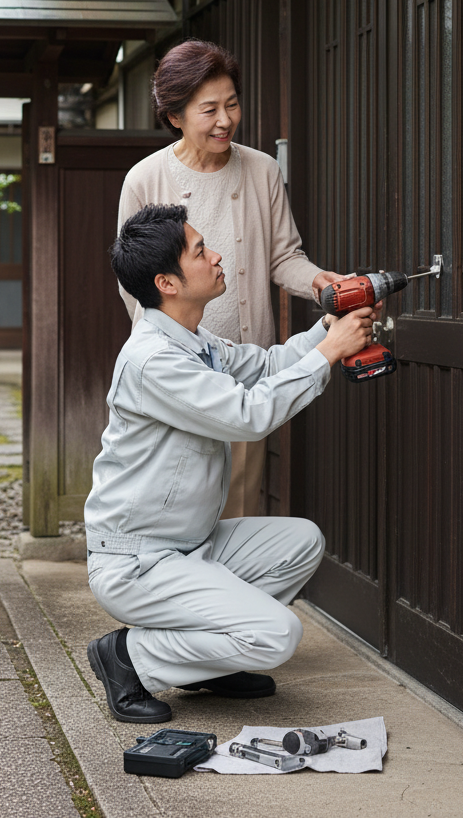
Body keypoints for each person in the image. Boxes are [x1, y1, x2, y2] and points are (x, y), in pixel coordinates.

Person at [85, 203, 376, 723]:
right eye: (200, 251)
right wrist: (331, 352)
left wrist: (327, 329)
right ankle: (131, 660)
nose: (216, 256)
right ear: (166, 282)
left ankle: (207, 665)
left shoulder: (195, 341)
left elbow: (266, 365)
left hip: (190, 546)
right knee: (277, 634)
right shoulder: (155, 359)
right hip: (139, 562)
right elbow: (247, 415)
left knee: (301, 541)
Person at [117, 39, 345, 519]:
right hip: (177, 374)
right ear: (175, 116)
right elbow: (134, 281)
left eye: (232, 104)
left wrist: (322, 284)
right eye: (209, 109)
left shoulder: (261, 169)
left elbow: (285, 256)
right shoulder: (144, 178)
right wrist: (166, 354)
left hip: (246, 369)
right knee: (178, 506)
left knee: (238, 504)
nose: (225, 120)